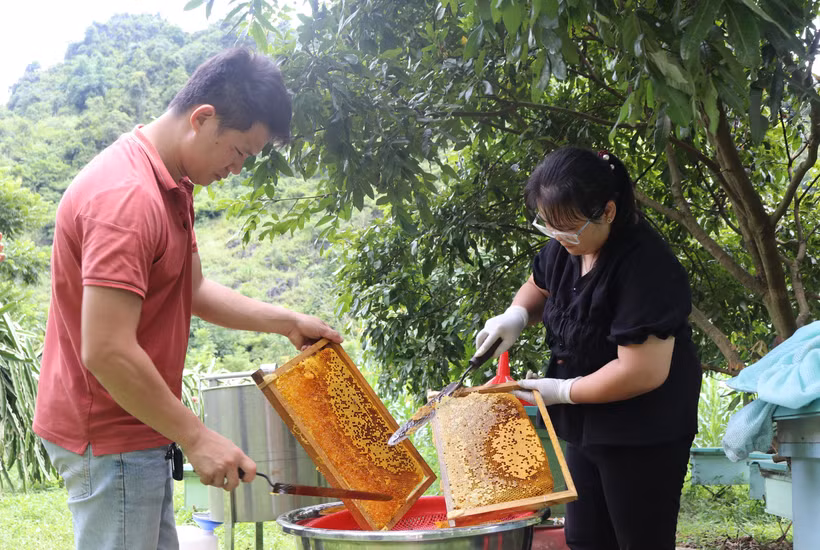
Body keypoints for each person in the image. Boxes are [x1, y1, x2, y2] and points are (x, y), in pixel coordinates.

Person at [32, 48, 342, 550]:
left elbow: (192, 289)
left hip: (140, 421)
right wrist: (197, 436)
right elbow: (106, 349)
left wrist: (286, 321)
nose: (238, 169)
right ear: (203, 119)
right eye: (240, 152)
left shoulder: (171, 182)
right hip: (111, 435)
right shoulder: (126, 200)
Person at [475, 147, 701, 550]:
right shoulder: (565, 248)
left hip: (643, 430)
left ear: (608, 212)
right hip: (586, 426)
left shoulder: (646, 266)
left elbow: (642, 372)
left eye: (568, 227)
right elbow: (538, 285)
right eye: (549, 226)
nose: (559, 237)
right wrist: (515, 316)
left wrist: (559, 391)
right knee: (585, 538)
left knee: (637, 539)